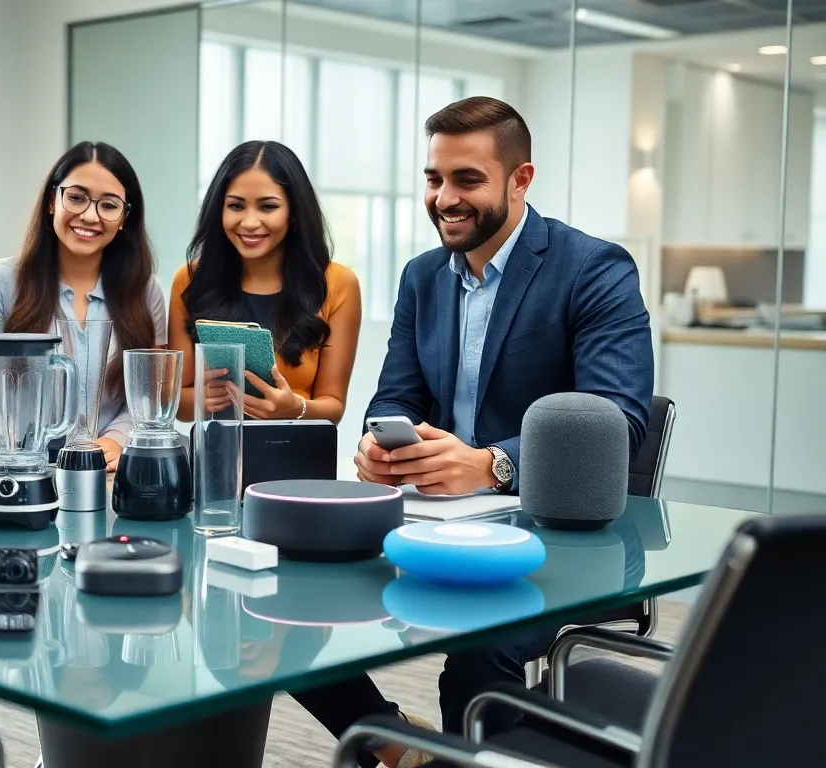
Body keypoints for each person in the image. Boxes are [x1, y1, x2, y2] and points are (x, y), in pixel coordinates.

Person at [332, 96, 654, 765]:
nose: (445, 198)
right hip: (434, 525)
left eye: (467, 179)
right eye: (434, 179)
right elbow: (393, 396)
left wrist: (493, 465)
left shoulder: (594, 268)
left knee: (477, 661)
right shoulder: (422, 277)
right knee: (295, 603)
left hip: (557, 542)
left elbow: (617, 425)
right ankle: (392, 739)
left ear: (520, 179)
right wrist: (378, 445)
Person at [0, 141, 167, 469]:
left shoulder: (145, 291)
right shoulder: (0, 281)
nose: (89, 215)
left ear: (124, 218)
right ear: (51, 201)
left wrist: (116, 440)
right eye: (76, 197)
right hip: (25, 468)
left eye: (109, 205)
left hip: (110, 469)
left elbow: (148, 395)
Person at [168, 140, 361, 424]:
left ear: (294, 213)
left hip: (297, 448)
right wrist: (202, 396)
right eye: (236, 206)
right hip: (217, 448)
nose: (249, 222)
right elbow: (178, 406)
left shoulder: (338, 283)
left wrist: (295, 408)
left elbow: (333, 408)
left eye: (268, 207)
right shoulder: (189, 279)